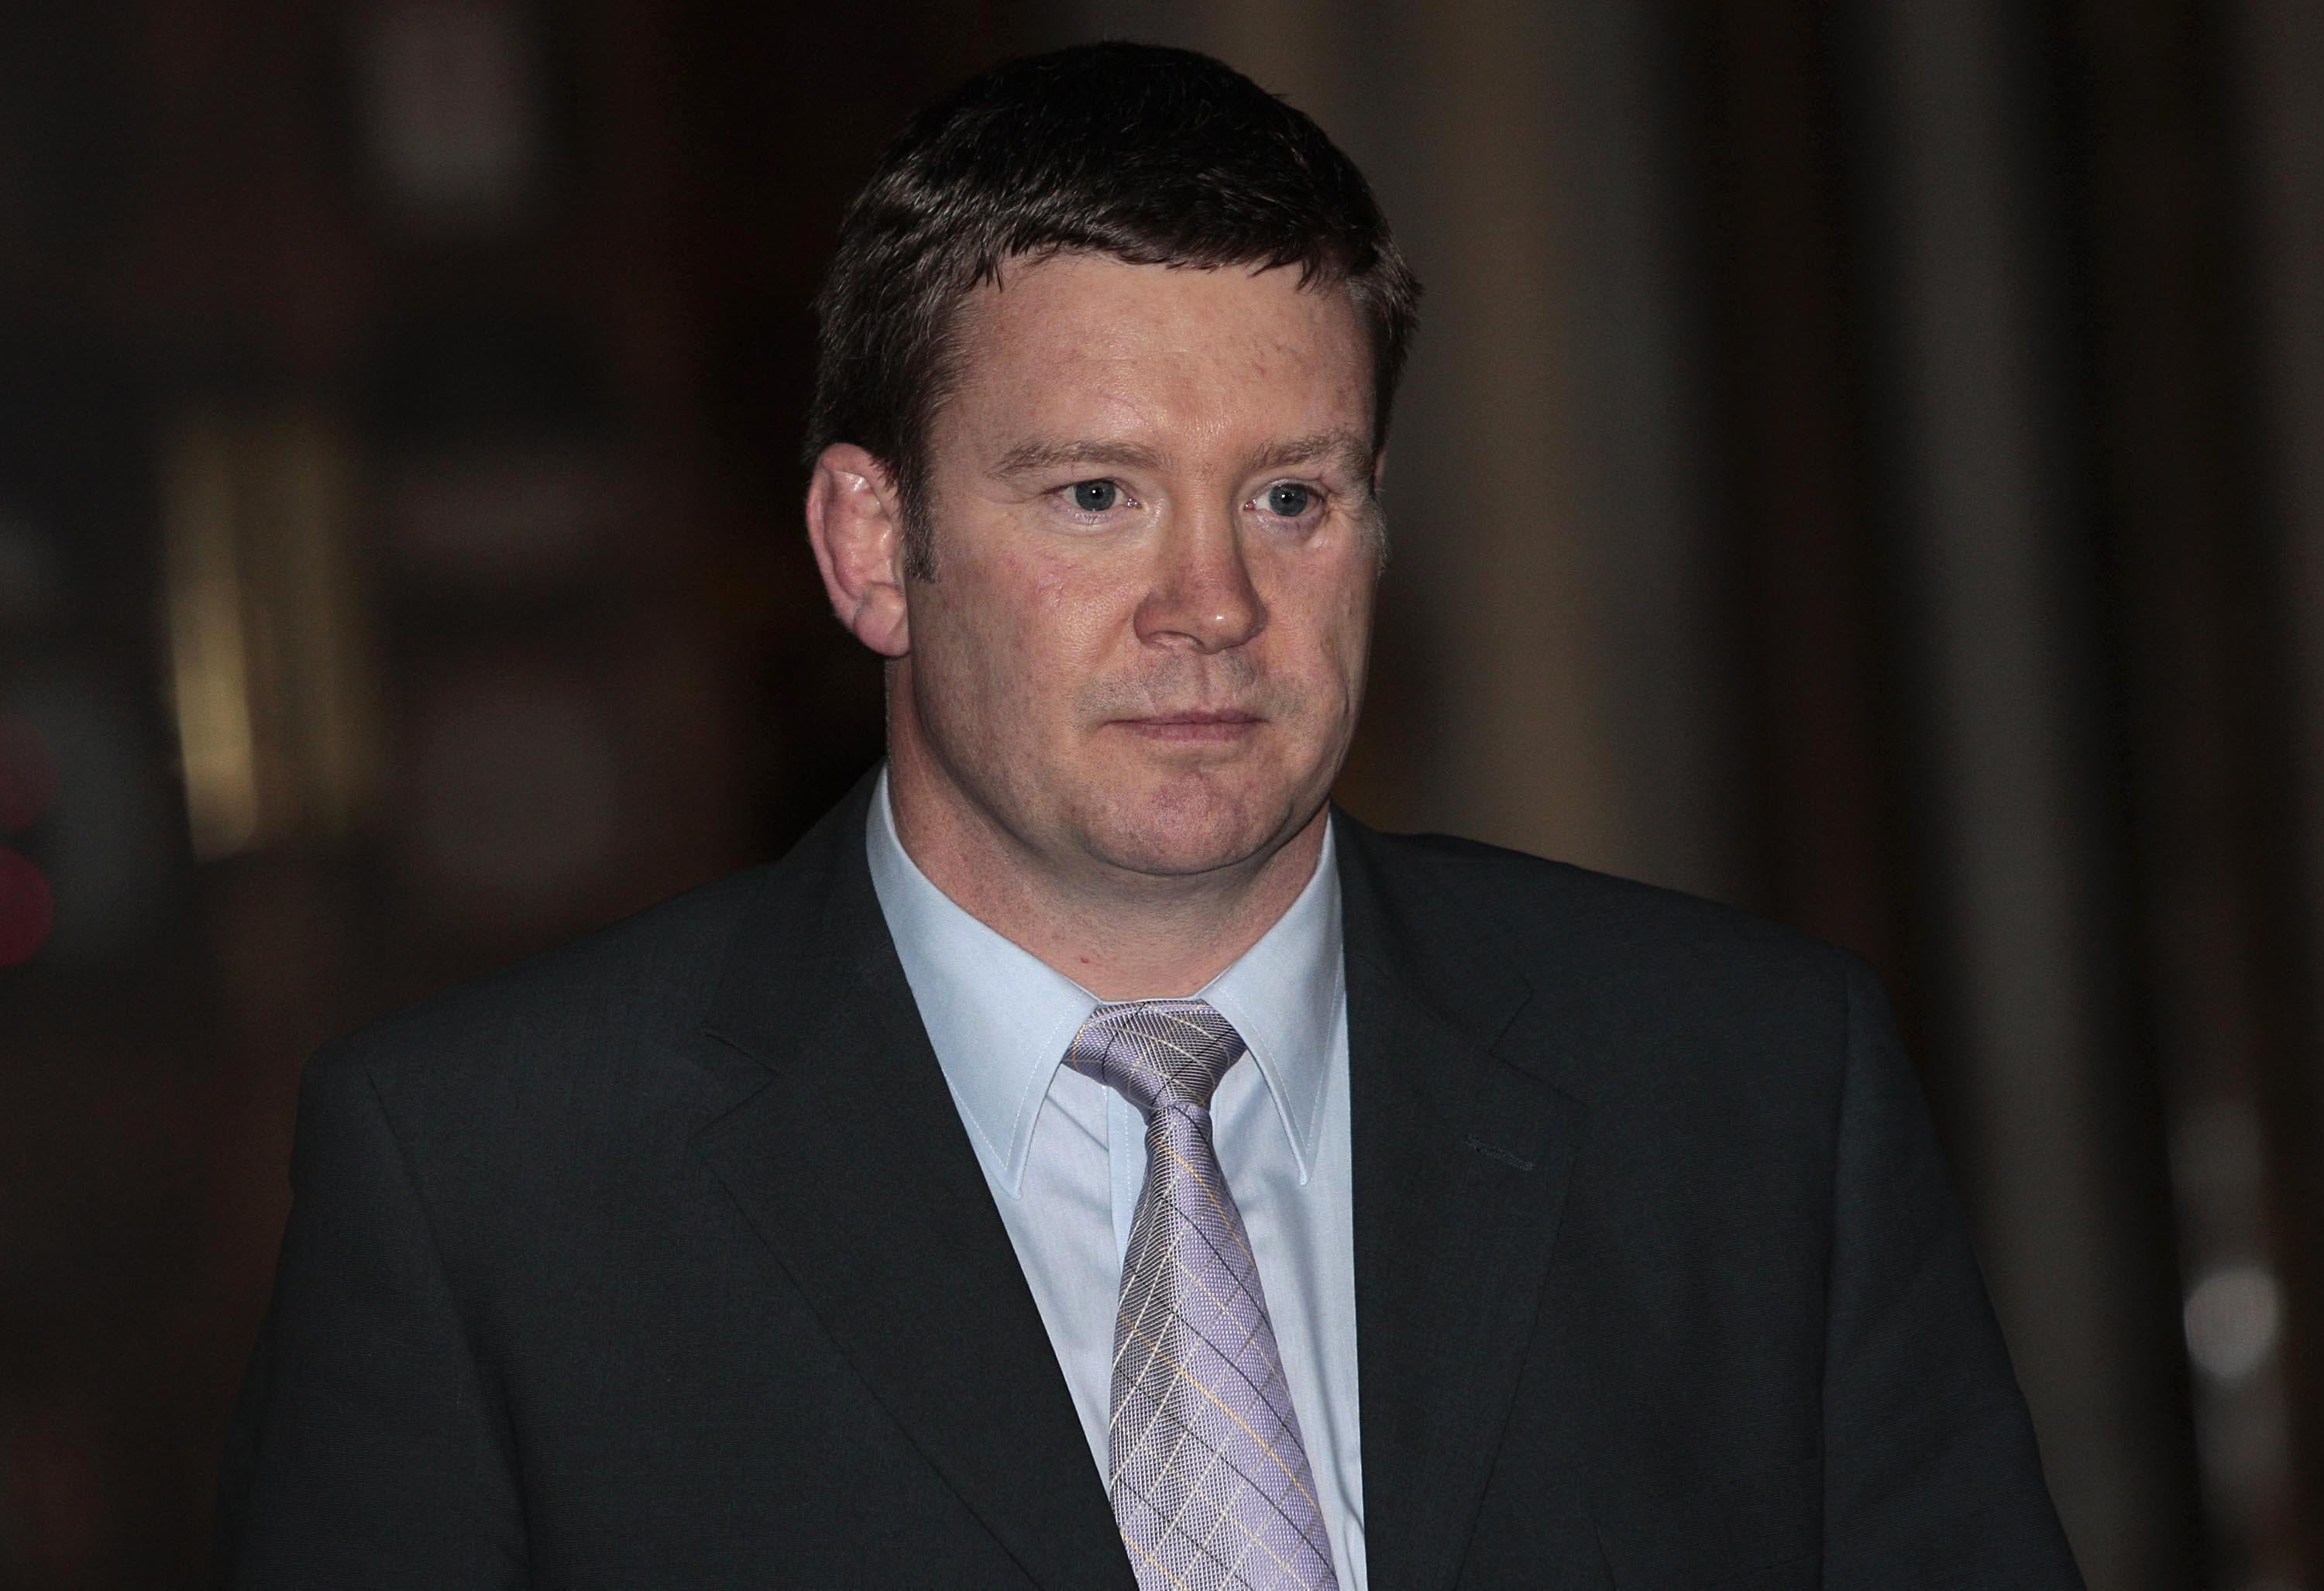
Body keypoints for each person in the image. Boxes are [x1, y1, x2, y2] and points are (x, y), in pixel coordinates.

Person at [215, 42, 2082, 1590]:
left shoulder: (1750, 1092)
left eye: (1290, 498)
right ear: (872, 544)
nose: (1213, 605)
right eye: (1098, 496)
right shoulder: (494, 1187)